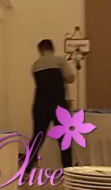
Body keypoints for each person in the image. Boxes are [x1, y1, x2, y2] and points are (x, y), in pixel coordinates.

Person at [26, 39, 75, 168]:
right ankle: (68, 168)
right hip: (58, 103)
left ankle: (26, 168)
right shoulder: (59, 61)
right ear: (52, 48)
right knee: (64, 138)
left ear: (40, 50)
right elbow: (70, 78)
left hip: (40, 104)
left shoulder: (35, 65)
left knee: (38, 136)